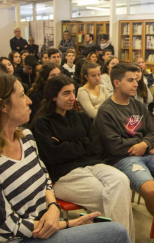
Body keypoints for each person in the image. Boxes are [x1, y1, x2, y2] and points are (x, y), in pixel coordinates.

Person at [0, 72, 130, 243]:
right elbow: (1, 227)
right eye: (22, 95)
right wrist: (66, 224)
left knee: (121, 183)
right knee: (116, 230)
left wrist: (53, 207)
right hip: (24, 237)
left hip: (50, 220)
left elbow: (44, 177)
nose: (29, 101)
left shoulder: (26, 137)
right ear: (2, 106)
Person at [32, 75, 135, 242]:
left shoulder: (80, 117)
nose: (73, 98)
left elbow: (96, 146)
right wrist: (83, 142)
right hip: (64, 175)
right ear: (53, 96)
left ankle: (120, 239)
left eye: (73, 92)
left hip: (93, 165)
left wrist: (67, 144)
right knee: (112, 197)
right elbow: (54, 155)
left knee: (122, 181)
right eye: (66, 94)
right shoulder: (42, 123)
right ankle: (124, 239)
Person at [94, 63, 154, 226]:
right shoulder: (106, 111)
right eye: (130, 80)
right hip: (123, 159)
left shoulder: (138, 105)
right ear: (117, 83)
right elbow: (115, 146)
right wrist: (144, 144)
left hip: (147, 154)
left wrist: (144, 145)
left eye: (136, 80)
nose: (136, 84)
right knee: (151, 190)